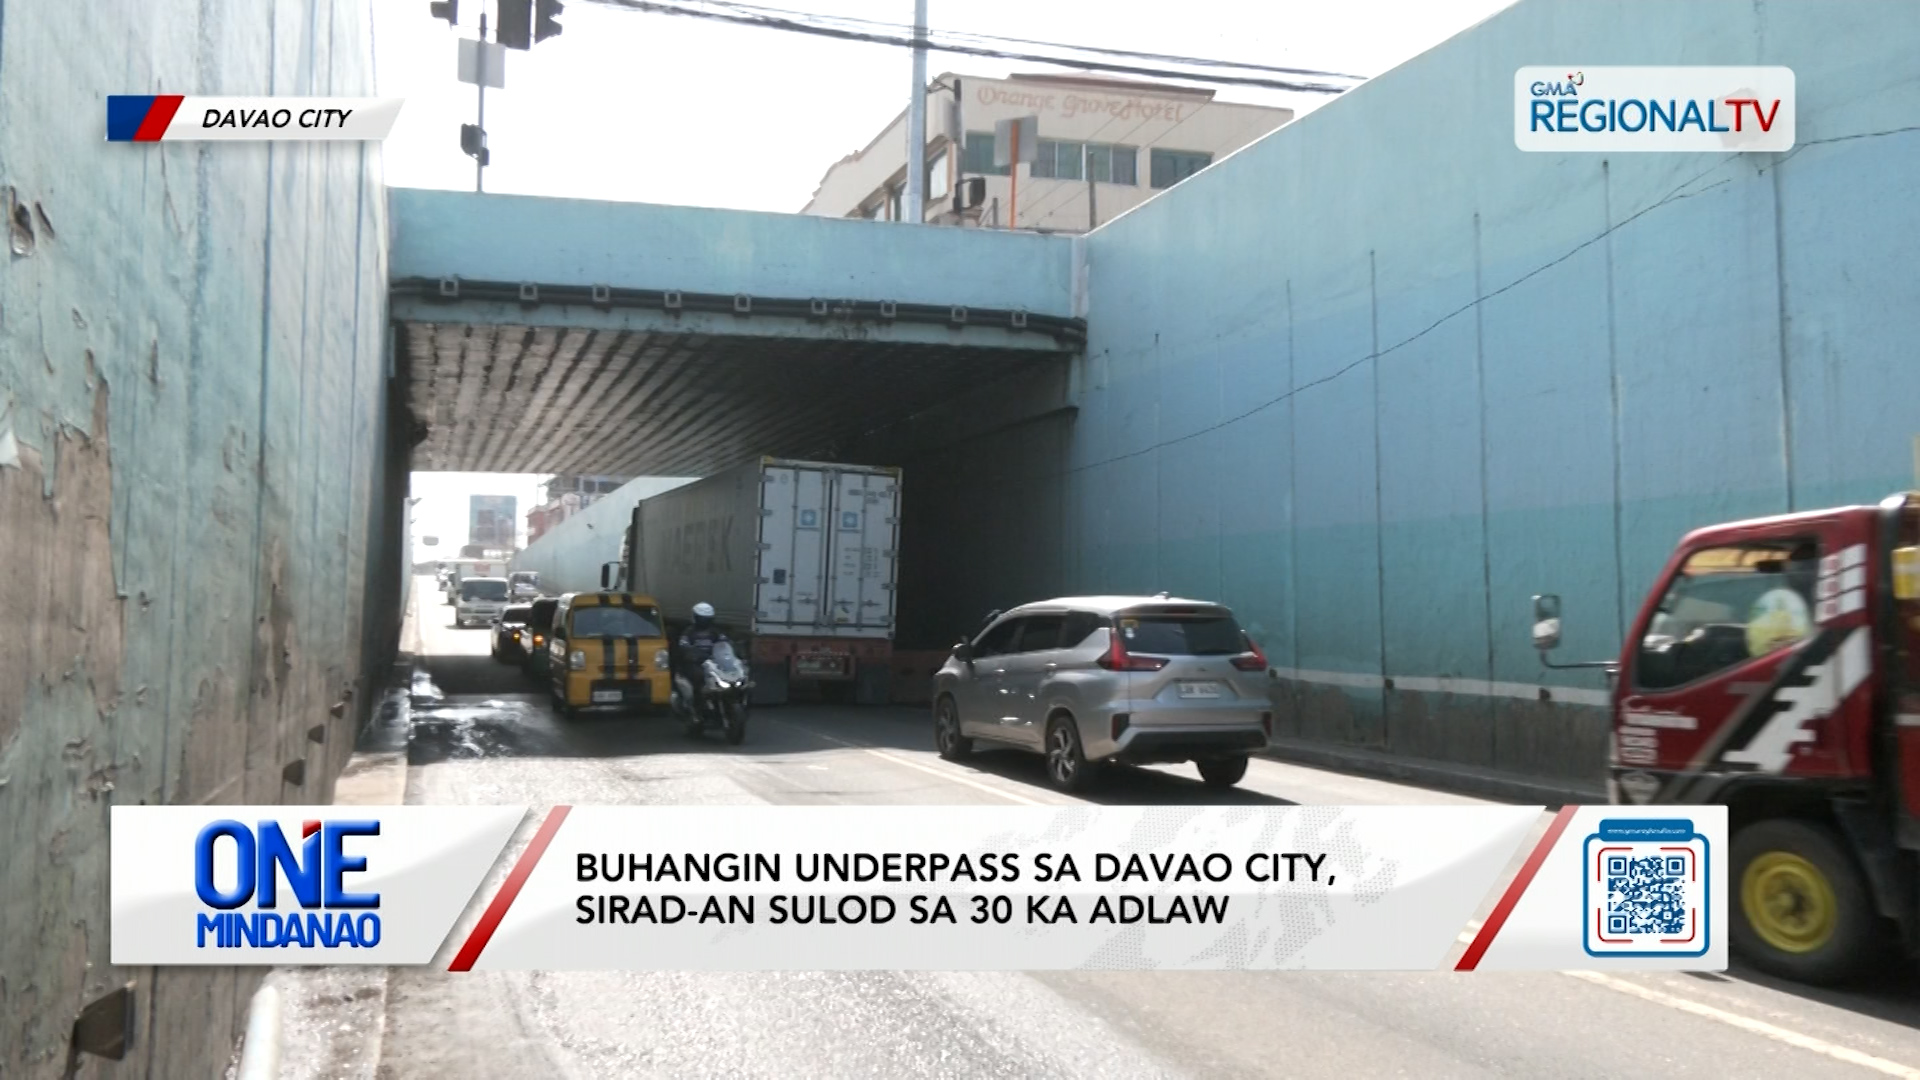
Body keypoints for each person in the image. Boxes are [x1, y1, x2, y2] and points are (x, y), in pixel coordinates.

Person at [674, 602, 732, 718]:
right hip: (695, 663)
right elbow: (684, 645)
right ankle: (697, 709)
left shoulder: (715, 632)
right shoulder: (689, 632)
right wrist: (693, 654)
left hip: (714, 663)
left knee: (731, 678)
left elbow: (725, 643)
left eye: (706, 619)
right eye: (702, 618)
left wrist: (734, 654)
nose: (704, 621)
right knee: (699, 679)